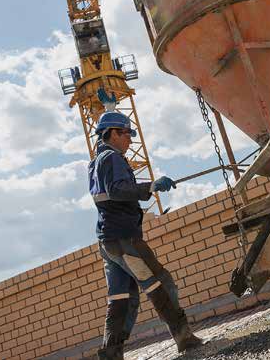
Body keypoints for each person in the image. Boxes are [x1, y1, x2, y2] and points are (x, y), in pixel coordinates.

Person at [89, 111, 203, 359]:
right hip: (125, 239)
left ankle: (111, 353)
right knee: (159, 283)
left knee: (121, 297)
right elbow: (118, 190)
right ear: (113, 133)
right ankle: (184, 337)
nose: (130, 140)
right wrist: (149, 187)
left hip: (108, 241)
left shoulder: (95, 162)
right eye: (127, 134)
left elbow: (109, 194)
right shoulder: (113, 158)